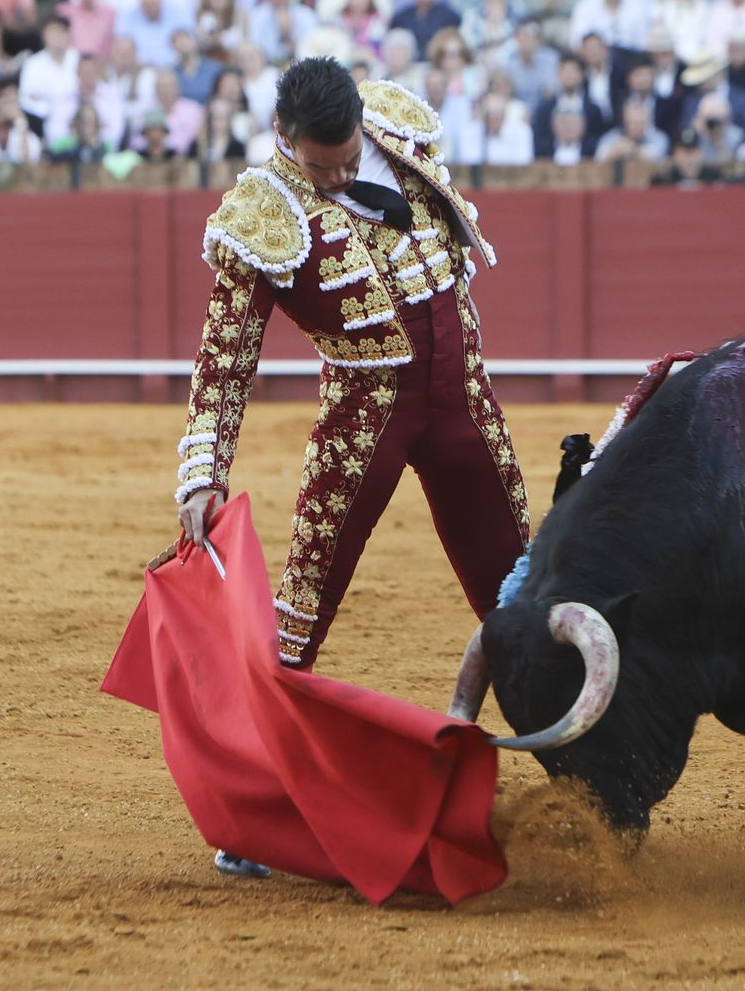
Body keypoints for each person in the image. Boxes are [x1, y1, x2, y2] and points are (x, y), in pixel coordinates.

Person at [174, 59, 528, 878]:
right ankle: (253, 807)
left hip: (463, 400)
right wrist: (202, 470)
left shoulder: (398, 129)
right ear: (281, 140)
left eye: (345, 160)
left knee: (519, 590)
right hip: (365, 416)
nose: (335, 177)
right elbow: (225, 359)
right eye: (318, 165)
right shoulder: (263, 210)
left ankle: (590, 772)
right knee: (300, 612)